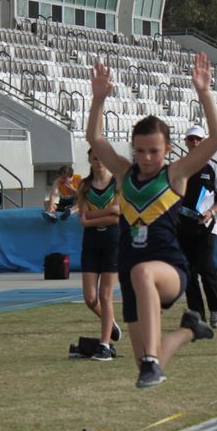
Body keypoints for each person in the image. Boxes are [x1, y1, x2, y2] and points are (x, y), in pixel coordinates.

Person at [87, 54, 217, 388]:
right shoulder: (124, 173)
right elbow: (95, 139)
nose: (147, 158)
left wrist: (204, 94)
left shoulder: (175, 174)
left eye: (154, 151)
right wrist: (99, 99)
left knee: (143, 272)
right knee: (146, 368)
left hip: (169, 270)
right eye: (140, 151)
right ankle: (188, 330)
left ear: (168, 149)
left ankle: (152, 357)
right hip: (131, 275)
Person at [176, 125, 217, 327]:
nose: (194, 143)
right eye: (191, 139)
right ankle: (197, 314)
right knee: (188, 271)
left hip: (207, 224)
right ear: (185, 142)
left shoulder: (213, 167)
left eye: (198, 139)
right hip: (183, 225)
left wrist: (211, 212)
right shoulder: (179, 167)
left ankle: (216, 308)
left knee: (205, 266)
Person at [76, 147, 122, 361]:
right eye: (95, 158)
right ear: (90, 160)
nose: (99, 162)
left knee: (105, 295)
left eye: (102, 158)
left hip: (112, 242)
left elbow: (118, 216)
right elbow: (83, 220)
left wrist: (95, 216)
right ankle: (109, 322)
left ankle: (104, 345)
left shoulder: (117, 183)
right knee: (90, 298)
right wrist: (108, 212)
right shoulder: (84, 186)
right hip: (91, 243)